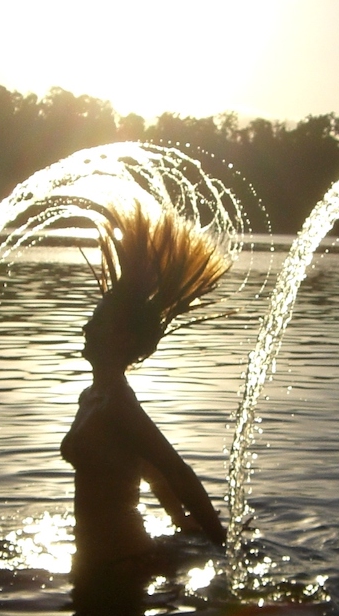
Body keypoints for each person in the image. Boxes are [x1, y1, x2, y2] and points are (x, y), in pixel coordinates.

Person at [61, 203, 228, 579]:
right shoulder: (92, 396)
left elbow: (176, 470)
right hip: (95, 562)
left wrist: (222, 543)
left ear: (122, 338)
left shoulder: (117, 404)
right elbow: (150, 467)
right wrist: (177, 517)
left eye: (98, 320)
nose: (86, 327)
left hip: (122, 564)